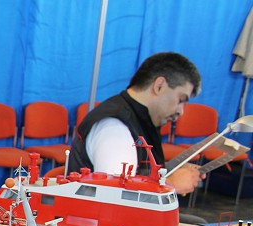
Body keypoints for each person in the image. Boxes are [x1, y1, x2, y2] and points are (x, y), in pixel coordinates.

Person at [68, 52, 204, 195]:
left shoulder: (139, 120)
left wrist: (171, 172)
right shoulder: (115, 129)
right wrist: (170, 184)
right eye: (180, 100)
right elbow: (116, 196)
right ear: (159, 86)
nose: (181, 111)